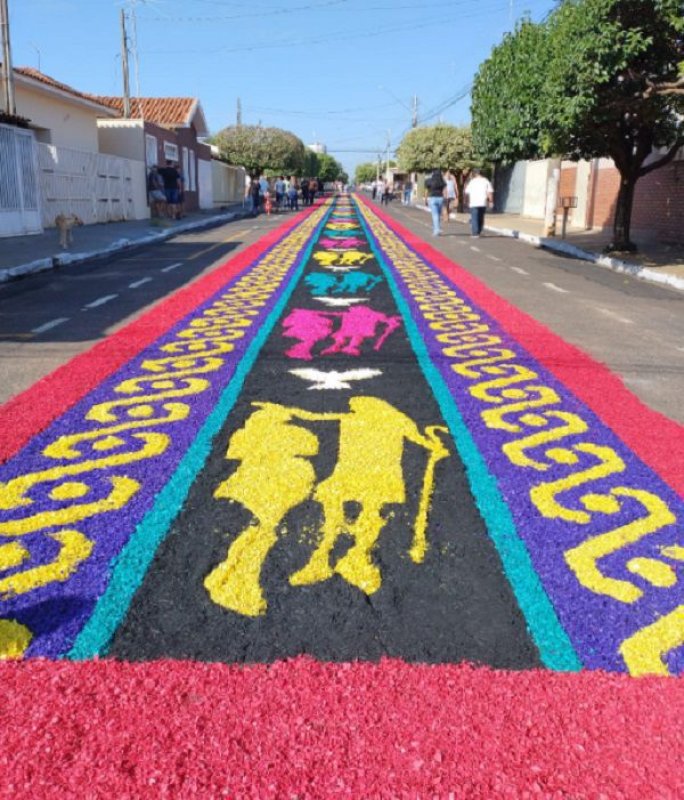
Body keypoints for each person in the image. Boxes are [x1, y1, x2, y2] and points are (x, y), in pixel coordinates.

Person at [464, 168, 494, 237]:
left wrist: (466, 201)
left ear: (475, 174)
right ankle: (479, 231)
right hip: (482, 202)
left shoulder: (472, 182)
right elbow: (489, 192)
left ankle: (475, 233)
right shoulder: (486, 181)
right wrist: (491, 201)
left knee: (474, 218)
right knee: (480, 218)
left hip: (473, 203)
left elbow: (467, 192)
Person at [425, 169, 446, 236]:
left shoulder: (428, 181)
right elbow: (444, 191)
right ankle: (437, 229)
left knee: (435, 215)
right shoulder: (442, 181)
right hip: (440, 198)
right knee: (438, 215)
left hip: (432, 198)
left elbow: (426, 191)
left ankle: (436, 230)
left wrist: (425, 199)